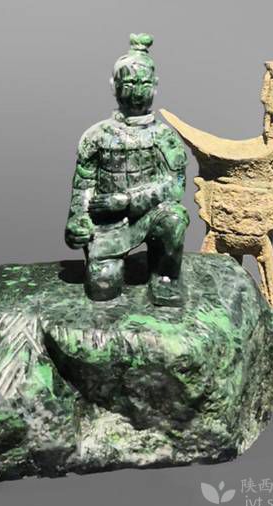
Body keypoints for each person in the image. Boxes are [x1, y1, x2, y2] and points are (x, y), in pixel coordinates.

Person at [65, 33, 189, 306]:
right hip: (107, 225)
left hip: (150, 216)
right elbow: (84, 185)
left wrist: (128, 199)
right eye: (129, 83)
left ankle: (165, 275)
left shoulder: (164, 137)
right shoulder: (96, 136)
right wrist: (78, 220)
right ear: (114, 86)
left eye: (144, 84)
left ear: (155, 86)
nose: (137, 92)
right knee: (102, 290)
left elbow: (174, 185)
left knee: (174, 217)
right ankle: (108, 263)